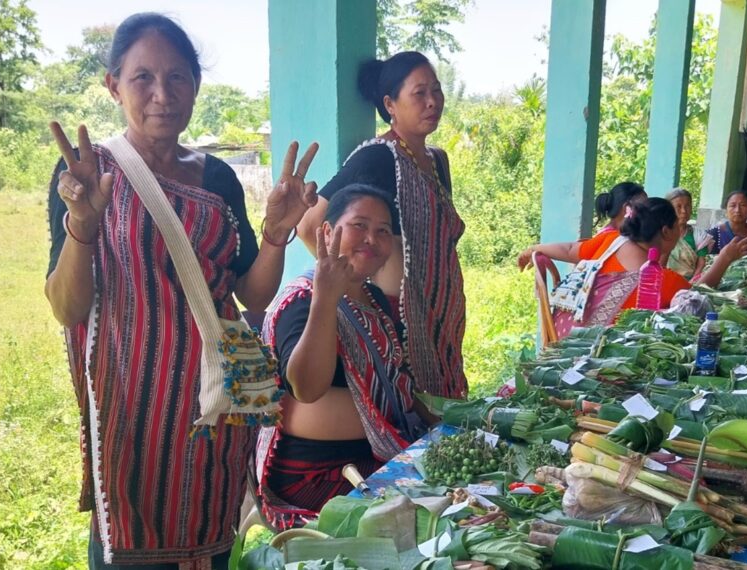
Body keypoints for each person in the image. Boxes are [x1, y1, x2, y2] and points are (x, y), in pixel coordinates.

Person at [44, 13, 319, 567]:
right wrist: (83, 225)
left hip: (214, 410)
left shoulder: (217, 177)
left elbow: (252, 295)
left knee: (213, 543)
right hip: (131, 414)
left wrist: (276, 233)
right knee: (129, 544)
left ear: (195, 85)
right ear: (113, 85)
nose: (162, 95)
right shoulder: (88, 172)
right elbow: (67, 307)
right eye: (142, 77)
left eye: (177, 77)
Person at [295, 51, 467, 399]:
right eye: (419, 93)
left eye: (436, 90)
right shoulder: (377, 157)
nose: (432, 102)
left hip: (441, 316)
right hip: (397, 315)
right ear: (390, 104)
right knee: (410, 408)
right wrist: (351, 286)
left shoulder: (437, 160)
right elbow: (309, 225)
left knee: (442, 406)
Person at [257, 185, 429, 529]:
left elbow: (397, 378)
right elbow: (306, 388)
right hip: (316, 473)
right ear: (326, 232)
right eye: (359, 225)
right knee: (429, 511)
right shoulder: (302, 300)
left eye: (383, 231)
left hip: (377, 454)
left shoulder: (374, 298)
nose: (371, 239)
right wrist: (326, 298)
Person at [596, 198, 747, 311]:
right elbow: (695, 297)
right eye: (676, 225)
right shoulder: (661, 280)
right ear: (666, 232)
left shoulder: (607, 240)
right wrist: (725, 258)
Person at [515, 181, 648, 269]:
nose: (649, 213)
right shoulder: (616, 240)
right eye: (645, 207)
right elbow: (569, 250)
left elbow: (570, 250)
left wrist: (534, 248)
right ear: (627, 209)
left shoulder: (609, 236)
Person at [703, 191, 747, 256]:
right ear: (726, 210)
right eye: (732, 205)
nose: (737, 210)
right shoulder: (714, 234)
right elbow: (708, 261)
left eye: (743, 205)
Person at [664, 188, 707, 280]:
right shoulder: (660, 234)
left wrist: (691, 283)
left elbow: (701, 264)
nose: (684, 211)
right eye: (678, 207)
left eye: (687, 206)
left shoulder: (699, 235)